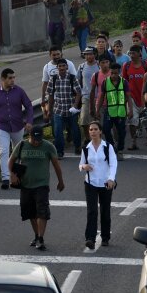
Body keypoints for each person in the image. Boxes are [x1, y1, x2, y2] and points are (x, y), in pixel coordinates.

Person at [9, 126, 64, 251]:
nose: (37, 142)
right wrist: (12, 175)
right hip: (26, 184)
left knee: (42, 211)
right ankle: (36, 235)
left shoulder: (48, 146)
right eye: (34, 139)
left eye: (39, 139)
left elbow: (56, 165)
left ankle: (40, 238)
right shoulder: (22, 145)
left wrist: (61, 181)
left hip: (42, 184)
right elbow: (11, 161)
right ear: (30, 136)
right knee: (30, 212)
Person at [0, 68, 34, 190]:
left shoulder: (19, 91)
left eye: (13, 78)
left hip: (18, 127)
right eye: (10, 78)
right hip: (2, 127)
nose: (12, 80)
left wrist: (29, 121)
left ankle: (18, 177)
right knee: (4, 152)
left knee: (19, 153)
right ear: (3, 79)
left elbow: (29, 106)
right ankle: (5, 178)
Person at [79, 120, 117, 249]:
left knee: (105, 211)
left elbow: (113, 164)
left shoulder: (108, 147)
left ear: (100, 131)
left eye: (95, 129)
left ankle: (105, 237)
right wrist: (84, 166)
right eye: (91, 129)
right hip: (90, 183)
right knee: (92, 211)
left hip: (106, 183)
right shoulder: (86, 148)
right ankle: (90, 238)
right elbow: (80, 164)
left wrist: (111, 179)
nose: (93, 131)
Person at [44, 58, 82, 158]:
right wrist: (49, 110)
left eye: (63, 66)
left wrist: (75, 105)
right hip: (58, 109)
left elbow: (78, 92)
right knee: (58, 131)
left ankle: (78, 146)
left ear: (67, 67)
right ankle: (59, 151)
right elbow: (51, 95)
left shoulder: (72, 78)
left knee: (74, 129)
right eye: (59, 66)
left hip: (71, 109)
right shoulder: (53, 79)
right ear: (57, 68)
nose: (61, 68)